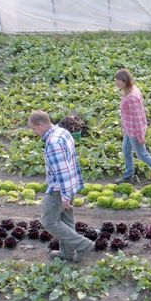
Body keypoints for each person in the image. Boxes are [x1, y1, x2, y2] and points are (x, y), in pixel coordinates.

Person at [28, 110, 94, 262]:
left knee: (48, 221)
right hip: (71, 184)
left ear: (42, 124)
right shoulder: (62, 132)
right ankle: (67, 254)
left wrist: (64, 197)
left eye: (34, 128)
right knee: (66, 221)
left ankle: (82, 245)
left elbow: (62, 171)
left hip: (60, 188)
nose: (34, 132)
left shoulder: (53, 143)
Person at [115, 68, 151, 183]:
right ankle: (128, 176)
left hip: (135, 131)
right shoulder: (130, 90)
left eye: (118, 81)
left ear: (124, 81)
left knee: (143, 155)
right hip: (129, 129)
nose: (116, 83)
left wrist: (140, 136)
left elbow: (138, 117)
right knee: (126, 150)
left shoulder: (132, 97)